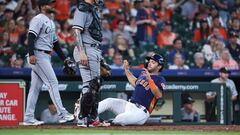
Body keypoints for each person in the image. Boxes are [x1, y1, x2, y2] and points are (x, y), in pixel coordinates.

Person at [22, 0, 74, 126]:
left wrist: (64, 59)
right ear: (41, 7)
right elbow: (31, 36)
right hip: (38, 54)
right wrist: (32, 54)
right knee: (53, 83)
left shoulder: (50, 22)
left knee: (35, 88)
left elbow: (55, 44)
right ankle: (62, 114)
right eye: (47, 4)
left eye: (51, 4)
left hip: (45, 55)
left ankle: (28, 117)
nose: (50, 6)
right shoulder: (38, 19)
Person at [98, 54, 166, 126]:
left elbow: (158, 95)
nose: (150, 63)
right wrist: (126, 70)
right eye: (150, 61)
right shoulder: (143, 74)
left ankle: (106, 123)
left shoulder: (160, 79)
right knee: (109, 101)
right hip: (129, 105)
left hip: (141, 112)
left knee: (121, 118)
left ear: (159, 66)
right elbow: (134, 82)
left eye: (153, 62)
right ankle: (90, 116)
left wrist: (149, 79)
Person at [72, 0, 103, 127]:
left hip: (93, 49)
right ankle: (83, 117)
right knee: (91, 85)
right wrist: (82, 52)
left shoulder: (92, 9)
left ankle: (88, 118)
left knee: (91, 85)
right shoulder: (82, 8)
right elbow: (76, 31)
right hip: (86, 49)